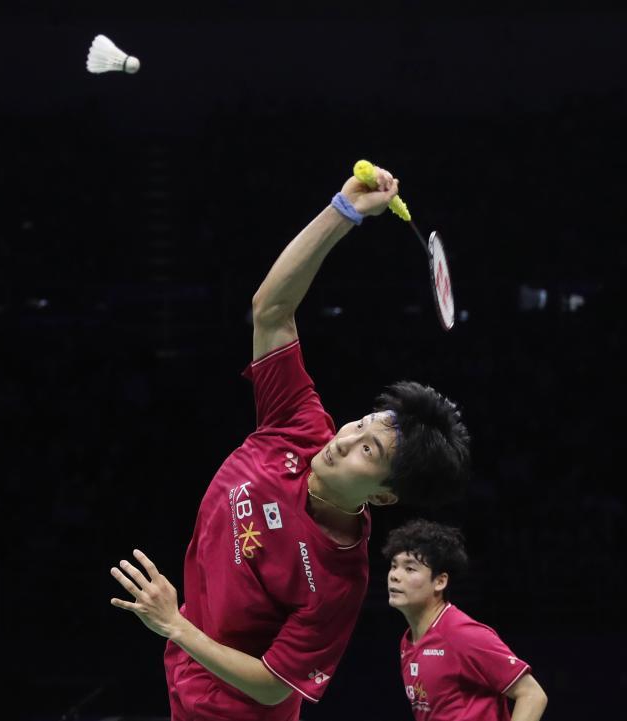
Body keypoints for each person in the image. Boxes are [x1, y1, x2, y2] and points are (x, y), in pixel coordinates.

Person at [108, 166, 472, 721]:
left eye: (368, 452)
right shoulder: (300, 425)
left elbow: (274, 688)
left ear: (382, 495)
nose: (344, 440)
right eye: (360, 424)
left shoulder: (338, 579)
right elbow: (271, 310)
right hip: (183, 682)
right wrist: (343, 212)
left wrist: (174, 625)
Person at [384, 519, 548, 721]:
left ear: (440, 581)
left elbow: (532, 695)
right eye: (394, 566)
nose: (395, 576)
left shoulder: (462, 634)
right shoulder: (408, 641)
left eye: (410, 569)